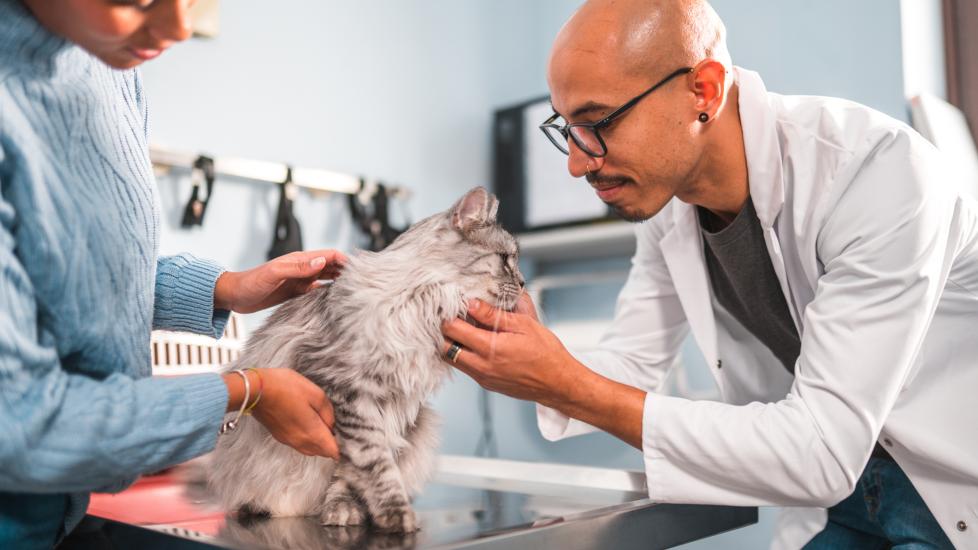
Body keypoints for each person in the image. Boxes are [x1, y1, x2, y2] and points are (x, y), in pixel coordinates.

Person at [441, 0, 977, 548]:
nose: (577, 163)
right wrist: (503, 345)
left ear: (704, 91)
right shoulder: (669, 207)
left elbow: (819, 447)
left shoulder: (875, 172)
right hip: (847, 497)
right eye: (567, 128)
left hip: (948, 491)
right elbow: (633, 361)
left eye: (597, 122)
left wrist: (567, 384)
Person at [0, 0, 344, 547]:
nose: (180, 27)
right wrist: (246, 391)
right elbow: (21, 425)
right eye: (138, 0)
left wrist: (226, 288)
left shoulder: (112, 71)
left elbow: (63, 270)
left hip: (62, 514)